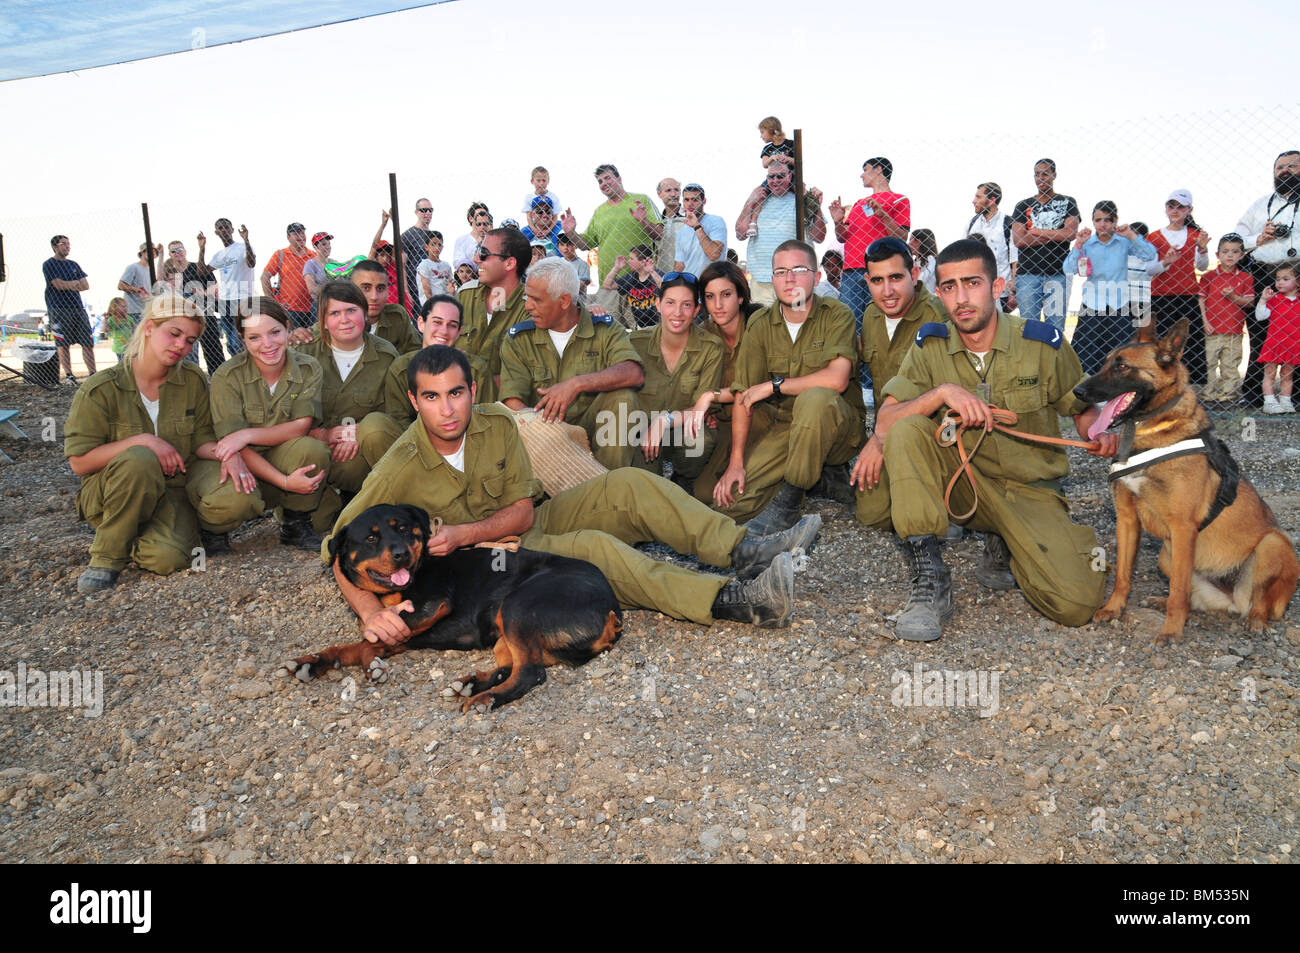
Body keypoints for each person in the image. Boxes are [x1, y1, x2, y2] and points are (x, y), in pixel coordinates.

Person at [326, 345, 815, 640]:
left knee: (630, 484)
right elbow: (336, 546)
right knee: (594, 550)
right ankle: (734, 599)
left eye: (456, 393)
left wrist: (462, 531)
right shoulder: (399, 465)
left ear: (473, 389)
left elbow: (521, 511)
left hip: (520, 523)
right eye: (431, 398)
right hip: (488, 563)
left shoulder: (497, 423)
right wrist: (372, 614)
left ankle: (742, 549)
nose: (447, 410)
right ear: (414, 401)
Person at [852, 238, 1117, 642]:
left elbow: (1079, 406)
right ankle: (930, 578)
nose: (961, 298)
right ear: (939, 293)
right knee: (907, 429)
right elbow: (886, 419)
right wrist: (940, 394)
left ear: (998, 286)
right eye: (949, 287)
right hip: (960, 484)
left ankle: (1007, 541)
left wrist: (1096, 430)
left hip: (1028, 491)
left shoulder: (1041, 343)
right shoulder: (930, 346)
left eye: (972, 283)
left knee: (1076, 603)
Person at [64, 292, 235, 592]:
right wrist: (144, 441)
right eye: (174, 333)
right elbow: (79, 462)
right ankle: (106, 556)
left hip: (171, 490)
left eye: (190, 340)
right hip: (111, 492)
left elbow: (201, 439)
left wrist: (228, 453)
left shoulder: (193, 379)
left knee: (167, 558)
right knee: (139, 457)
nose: (181, 345)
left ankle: (146, 533)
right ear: (148, 328)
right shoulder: (100, 389)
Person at [713, 240, 866, 533]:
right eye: (781, 272)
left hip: (839, 429)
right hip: (788, 427)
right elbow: (744, 394)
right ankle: (817, 478)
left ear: (817, 276)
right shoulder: (760, 324)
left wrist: (774, 385)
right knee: (732, 503)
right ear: (772, 280)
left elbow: (837, 379)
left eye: (799, 270)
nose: (790, 279)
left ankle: (790, 503)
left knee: (817, 398)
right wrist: (736, 463)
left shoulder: (836, 314)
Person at [204, 297, 330, 549]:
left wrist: (246, 435)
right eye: (255, 337)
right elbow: (232, 445)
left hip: (281, 457)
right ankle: (214, 528)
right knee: (230, 493)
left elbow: (301, 426)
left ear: (287, 327)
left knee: (312, 450)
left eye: (274, 332)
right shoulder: (227, 377)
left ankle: (295, 523)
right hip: (244, 462)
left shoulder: (307, 367)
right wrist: (282, 481)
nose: (268, 344)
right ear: (241, 338)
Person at [500, 257, 645, 470]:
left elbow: (633, 372)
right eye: (526, 297)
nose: (528, 306)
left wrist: (576, 384)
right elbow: (512, 401)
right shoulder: (519, 338)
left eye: (536, 299)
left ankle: (608, 485)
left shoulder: (604, 329)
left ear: (565, 301)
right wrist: (552, 438)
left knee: (624, 398)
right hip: (545, 435)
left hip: (598, 436)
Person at [296, 281, 404, 529]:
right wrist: (321, 435)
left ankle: (392, 502)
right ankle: (326, 506)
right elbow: (285, 414)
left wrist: (359, 431)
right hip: (318, 451)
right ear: (323, 321)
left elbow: (395, 417)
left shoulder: (386, 355)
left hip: (360, 453)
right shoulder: (303, 353)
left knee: (375, 430)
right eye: (334, 313)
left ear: (365, 315)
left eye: (351, 311)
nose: (344, 320)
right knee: (318, 523)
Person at [628, 273, 724, 487]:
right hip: (644, 431)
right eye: (670, 303)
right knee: (644, 489)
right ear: (658, 304)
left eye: (687, 305)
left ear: (697, 310)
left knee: (700, 439)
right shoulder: (636, 343)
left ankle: (683, 480)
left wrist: (665, 420)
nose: (678, 313)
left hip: (680, 428)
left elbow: (702, 407)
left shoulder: (710, 348)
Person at [689, 262, 764, 507]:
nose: (718, 305)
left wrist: (711, 396)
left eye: (726, 295)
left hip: (764, 415)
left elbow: (753, 387)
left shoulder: (759, 324)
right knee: (703, 494)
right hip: (726, 423)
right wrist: (710, 407)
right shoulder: (704, 333)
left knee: (741, 494)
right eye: (710, 297)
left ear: (741, 296)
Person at [858, 236, 949, 425]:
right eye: (877, 280)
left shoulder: (938, 317)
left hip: (926, 435)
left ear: (914, 275)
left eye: (895, 277)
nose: (887, 291)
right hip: (884, 429)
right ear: (867, 281)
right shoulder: (871, 315)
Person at [1234, 150, 1300, 407]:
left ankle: (1293, 395)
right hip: (1265, 274)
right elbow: (1235, 238)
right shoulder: (1260, 205)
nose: (1285, 170)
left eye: (1293, 165)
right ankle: (1253, 394)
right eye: (1280, 167)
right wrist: (1258, 238)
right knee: (1262, 335)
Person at [1061, 201, 1157, 374]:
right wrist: (1078, 245)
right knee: (1085, 354)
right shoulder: (1087, 244)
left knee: (1119, 354)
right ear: (1092, 221)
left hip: (1119, 304)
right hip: (1092, 304)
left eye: (1107, 219)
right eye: (1098, 220)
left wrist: (1131, 236)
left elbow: (1150, 254)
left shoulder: (1123, 242)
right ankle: (1086, 391)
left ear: (1115, 221)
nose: (1102, 224)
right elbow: (1068, 269)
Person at [386, 294, 497, 425]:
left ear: (459, 332)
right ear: (421, 324)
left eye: (452, 325)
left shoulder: (476, 370)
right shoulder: (401, 369)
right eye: (437, 322)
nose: (444, 331)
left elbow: (485, 418)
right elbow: (399, 421)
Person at [734, 159, 827, 306]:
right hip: (762, 280)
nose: (775, 180)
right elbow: (740, 234)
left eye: (780, 176)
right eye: (771, 177)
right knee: (764, 325)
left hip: (794, 279)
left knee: (795, 325)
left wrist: (816, 206)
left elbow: (819, 236)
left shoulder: (802, 200)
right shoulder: (759, 201)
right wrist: (750, 202)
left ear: (790, 177)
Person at [830, 157, 910, 321]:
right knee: (849, 323)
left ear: (879, 169)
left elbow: (902, 236)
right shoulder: (860, 204)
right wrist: (838, 221)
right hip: (851, 271)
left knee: (878, 322)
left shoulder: (900, 199)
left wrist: (884, 216)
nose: (862, 175)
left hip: (880, 271)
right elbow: (842, 237)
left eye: (865, 169)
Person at [1146, 189, 1210, 385]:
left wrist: (1202, 248)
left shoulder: (1196, 235)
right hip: (1160, 295)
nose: (1175, 210)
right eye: (1171, 206)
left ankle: (1192, 385)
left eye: (1180, 207)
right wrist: (1165, 262)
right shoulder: (1154, 237)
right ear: (1165, 208)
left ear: (1189, 210)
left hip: (1187, 294)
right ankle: (1159, 381)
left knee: (1190, 343)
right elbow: (1149, 269)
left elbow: (1202, 266)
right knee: (1160, 343)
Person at [560, 164, 663, 284]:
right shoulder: (599, 212)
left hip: (642, 281)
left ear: (619, 179)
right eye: (600, 181)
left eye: (607, 178)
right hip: (610, 282)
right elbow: (585, 245)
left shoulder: (641, 200)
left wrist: (643, 221)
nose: (604, 183)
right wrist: (571, 233)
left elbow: (659, 234)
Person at [1010, 159, 1080, 331]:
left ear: (1054, 175)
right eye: (1037, 174)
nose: (1040, 178)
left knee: (1055, 328)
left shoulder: (1068, 202)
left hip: (1057, 273)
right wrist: (1056, 234)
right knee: (1028, 328)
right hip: (1027, 274)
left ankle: (1053, 359)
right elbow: (1019, 240)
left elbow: (1070, 234)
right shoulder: (1022, 205)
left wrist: (1034, 232)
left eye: (1045, 174)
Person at [458, 226, 530, 381]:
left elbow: (522, 379)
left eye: (484, 253)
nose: (476, 259)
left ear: (509, 264)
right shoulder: (465, 296)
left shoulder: (530, 308)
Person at [1198, 234, 1254, 405]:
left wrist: (1234, 297)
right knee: (1209, 363)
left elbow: (1249, 302)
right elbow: (1201, 300)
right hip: (1212, 329)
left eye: (1235, 252)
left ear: (1241, 255)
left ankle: (1227, 395)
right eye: (1225, 251)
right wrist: (1205, 322)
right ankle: (1208, 394)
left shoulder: (1245, 277)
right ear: (1218, 255)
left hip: (1233, 330)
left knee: (1230, 364)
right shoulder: (1209, 277)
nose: (1229, 255)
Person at [157, 237, 223, 375]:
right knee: (187, 353)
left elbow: (215, 285)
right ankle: (192, 379)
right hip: (184, 319)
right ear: (170, 254)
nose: (177, 253)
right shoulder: (172, 273)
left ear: (185, 251)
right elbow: (159, 280)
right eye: (173, 251)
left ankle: (218, 377)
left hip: (204, 313)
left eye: (180, 249)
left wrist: (203, 292)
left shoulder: (196, 267)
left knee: (212, 350)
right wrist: (161, 255)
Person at [340, 259, 422, 356]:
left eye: (380, 288)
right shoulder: (337, 322)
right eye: (366, 288)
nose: (374, 297)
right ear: (352, 290)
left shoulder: (397, 317)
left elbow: (415, 353)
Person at [43, 234, 95, 384]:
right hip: (58, 308)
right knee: (63, 344)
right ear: (55, 247)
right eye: (63, 244)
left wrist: (69, 284)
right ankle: (69, 376)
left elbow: (85, 285)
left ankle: (92, 373)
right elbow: (58, 285)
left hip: (77, 307)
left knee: (87, 342)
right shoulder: (49, 264)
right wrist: (74, 284)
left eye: (68, 244)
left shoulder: (74, 264)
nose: (67, 247)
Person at [206, 218, 256, 356]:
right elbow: (202, 271)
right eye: (220, 228)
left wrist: (246, 240)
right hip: (225, 300)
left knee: (239, 340)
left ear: (232, 229)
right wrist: (202, 248)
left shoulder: (242, 247)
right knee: (230, 343)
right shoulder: (219, 255)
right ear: (216, 232)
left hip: (243, 298)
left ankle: (248, 366)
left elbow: (251, 263)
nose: (224, 230)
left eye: (227, 227)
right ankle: (238, 370)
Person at [966, 182, 1018, 311]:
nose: (974, 201)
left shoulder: (1008, 224)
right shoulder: (972, 224)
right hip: (975, 289)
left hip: (1001, 291)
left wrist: (1013, 290)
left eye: (978, 197)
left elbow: (1014, 259)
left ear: (992, 200)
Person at [1258, 262, 1300, 413]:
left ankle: (1285, 401)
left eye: (1286, 279)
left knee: (1287, 375)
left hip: (1293, 344)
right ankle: (1269, 402)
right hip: (1274, 343)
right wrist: (1263, 300)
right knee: (1269, 373)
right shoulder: (1275, 299)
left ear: (1298, 282)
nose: (1280, 282)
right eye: (1278, 279)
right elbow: (1260, 316)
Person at [261, 223, 315, 329]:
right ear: (288, 237)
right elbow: (264, 277)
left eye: (302, 232)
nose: (300, 236)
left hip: (312, 309)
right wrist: (273, 304)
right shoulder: (280, 254)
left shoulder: (313, 256)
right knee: (292, 343)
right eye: (296, 233)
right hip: (290, 311)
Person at [595, 244, 661, 329]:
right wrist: (617, 268)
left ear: (642, 261)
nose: (628, 261)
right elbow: (607, 285)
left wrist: (651, 271)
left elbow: (665, 287)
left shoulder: (656, 275)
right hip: (639, 325)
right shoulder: (630, 277)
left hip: (658, 323)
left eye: (632, 259)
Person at [673, 183, 727, 276]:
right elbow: (679, 265)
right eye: (686, 200)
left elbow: (714, 255)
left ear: (704, 201)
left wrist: (697, 227)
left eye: (695, 200)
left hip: (712, 282)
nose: (690, 204)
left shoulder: (716, 221)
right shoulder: (682, 232)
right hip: (690, 284)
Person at [400, 198, 436, 308]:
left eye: (430, 210)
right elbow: (401, 266)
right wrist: (406, 291)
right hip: (415, 289)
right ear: (416, 212)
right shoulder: (408, 235)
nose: (428, 213)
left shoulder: (434, 236)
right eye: (424, 210)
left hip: (433, 286)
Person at [117, 243, 155, 330]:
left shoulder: (150, 271)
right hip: (133, 312)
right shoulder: (133, 267)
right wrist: (136, 289)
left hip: (146, 311)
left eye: (154, 252)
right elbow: (120, 285)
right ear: (142, 253)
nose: (152, 254)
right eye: (149, 251)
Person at [654, 177, 687, 273]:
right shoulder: (657, 222)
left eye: (676, 190)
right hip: (662, 277)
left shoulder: (690, 218)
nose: (673, 194)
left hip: (687, 275)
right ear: (659, 194)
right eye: (668, 190)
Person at [415, 231, 452, 306]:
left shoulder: (446, 265)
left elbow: (450, 287)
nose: (437, 248)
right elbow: (427, 290)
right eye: (433, 244)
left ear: (442, 247)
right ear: (426, 247)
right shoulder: (424, 265)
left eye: (439, 245)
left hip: (446, 303)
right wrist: (434, 307)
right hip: (431, 305)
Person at [454, 202, 493, 267]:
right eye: (479, 214)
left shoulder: (492, 240)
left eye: (484, 214)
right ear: (471, 218)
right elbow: (457, 262)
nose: (482, 216)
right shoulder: (461, 240)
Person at [557, 232, 591, 301]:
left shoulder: (582, 264)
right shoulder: (557, 263)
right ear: (558, 246)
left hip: (577, 303)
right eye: (562, 245)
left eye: (569, 244)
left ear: (575, 245)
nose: (565, 248)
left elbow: (580, 288)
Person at [302, 231, 334, 301]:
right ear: (315, 247)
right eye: (323, 244)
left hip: (335, 302)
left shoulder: (334, 263)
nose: (328, 247)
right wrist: (332, 283)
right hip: (320, 304)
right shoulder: (310, 264)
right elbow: (312, 289)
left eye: (329, 243)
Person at [104, 297, 132, 361]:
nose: (125, 308)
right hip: (119, 348)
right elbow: (105, 330)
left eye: (126, 306)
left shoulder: (129, 318)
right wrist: (105, 319)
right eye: (123, 306)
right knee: (122, 363)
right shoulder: (112, 319)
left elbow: (135, 328)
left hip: (130, 346)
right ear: (115, 308)